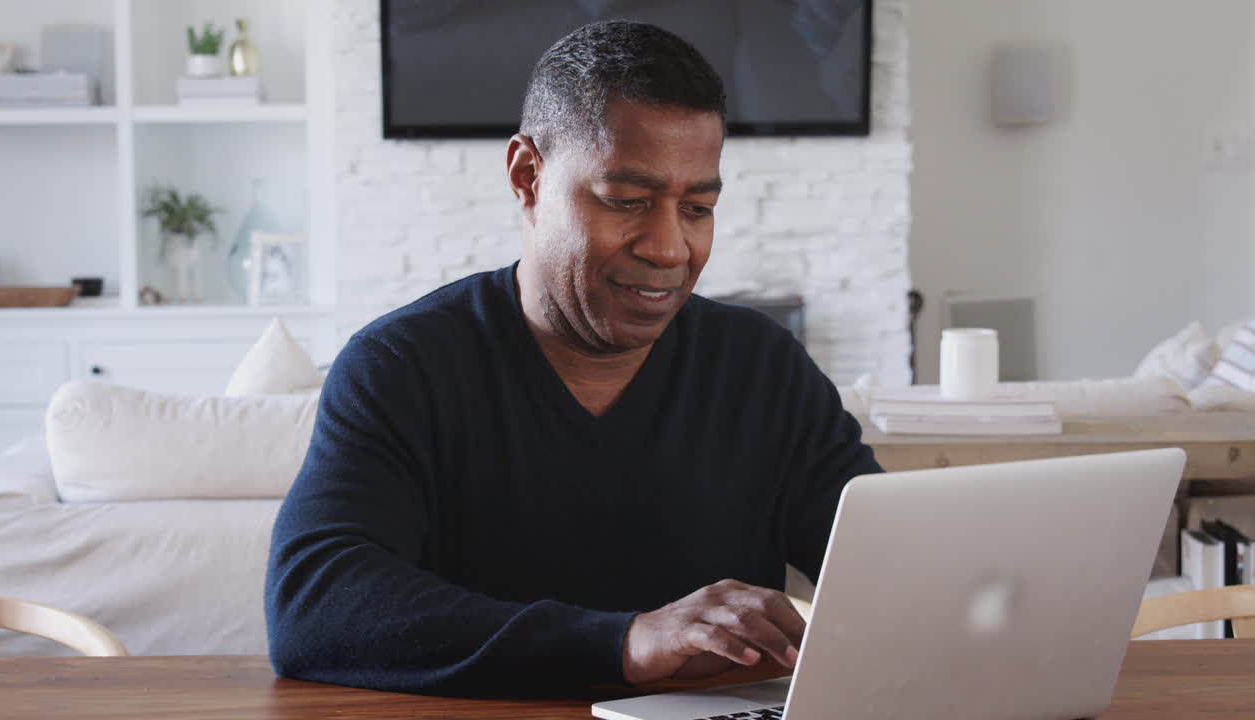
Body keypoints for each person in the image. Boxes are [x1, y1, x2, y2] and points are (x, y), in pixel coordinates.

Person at [265, 19, 882, 697]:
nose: (670, 248)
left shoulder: (761, 367)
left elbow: (892, 569)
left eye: (698, 207)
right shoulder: (403, 368)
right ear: (527, 175)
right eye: (626, 201)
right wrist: (624, 643)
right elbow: (315, 607)